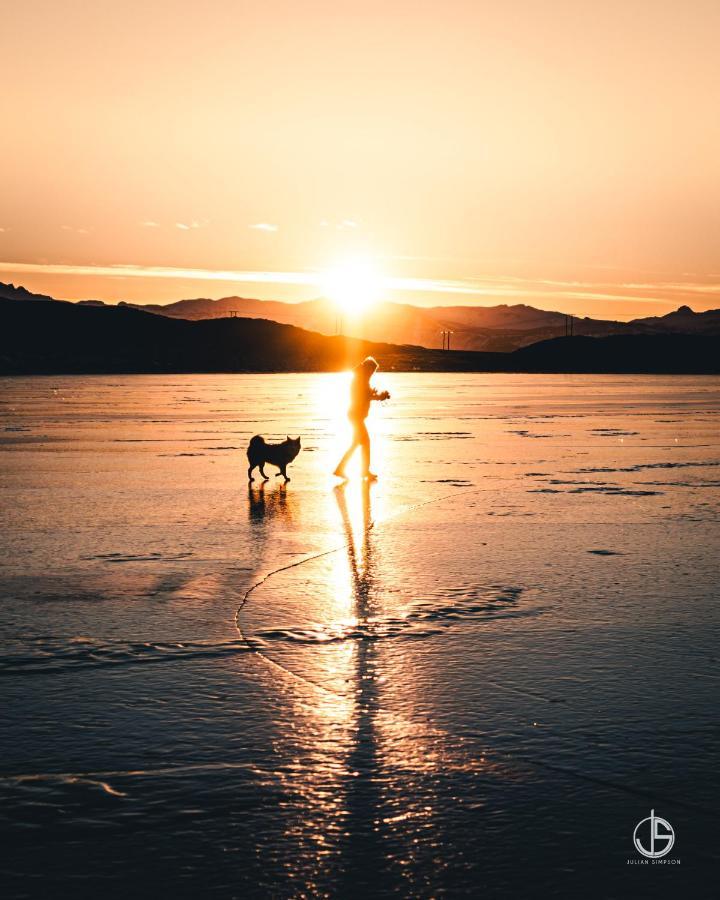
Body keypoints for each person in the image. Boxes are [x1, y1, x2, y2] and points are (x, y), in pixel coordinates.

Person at [334, 356, 390, 480]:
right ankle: (362, 471)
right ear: (367, 369)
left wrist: (377, 395)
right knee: (365, 442)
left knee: (356, 444)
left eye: (373, 372)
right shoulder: (360, 380)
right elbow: (364, 397)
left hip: (356, 415)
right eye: (371, 371)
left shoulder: (360, 378)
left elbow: (366, 395)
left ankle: (341, 469)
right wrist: (379, 397)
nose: (372, 374)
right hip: (356, 416)